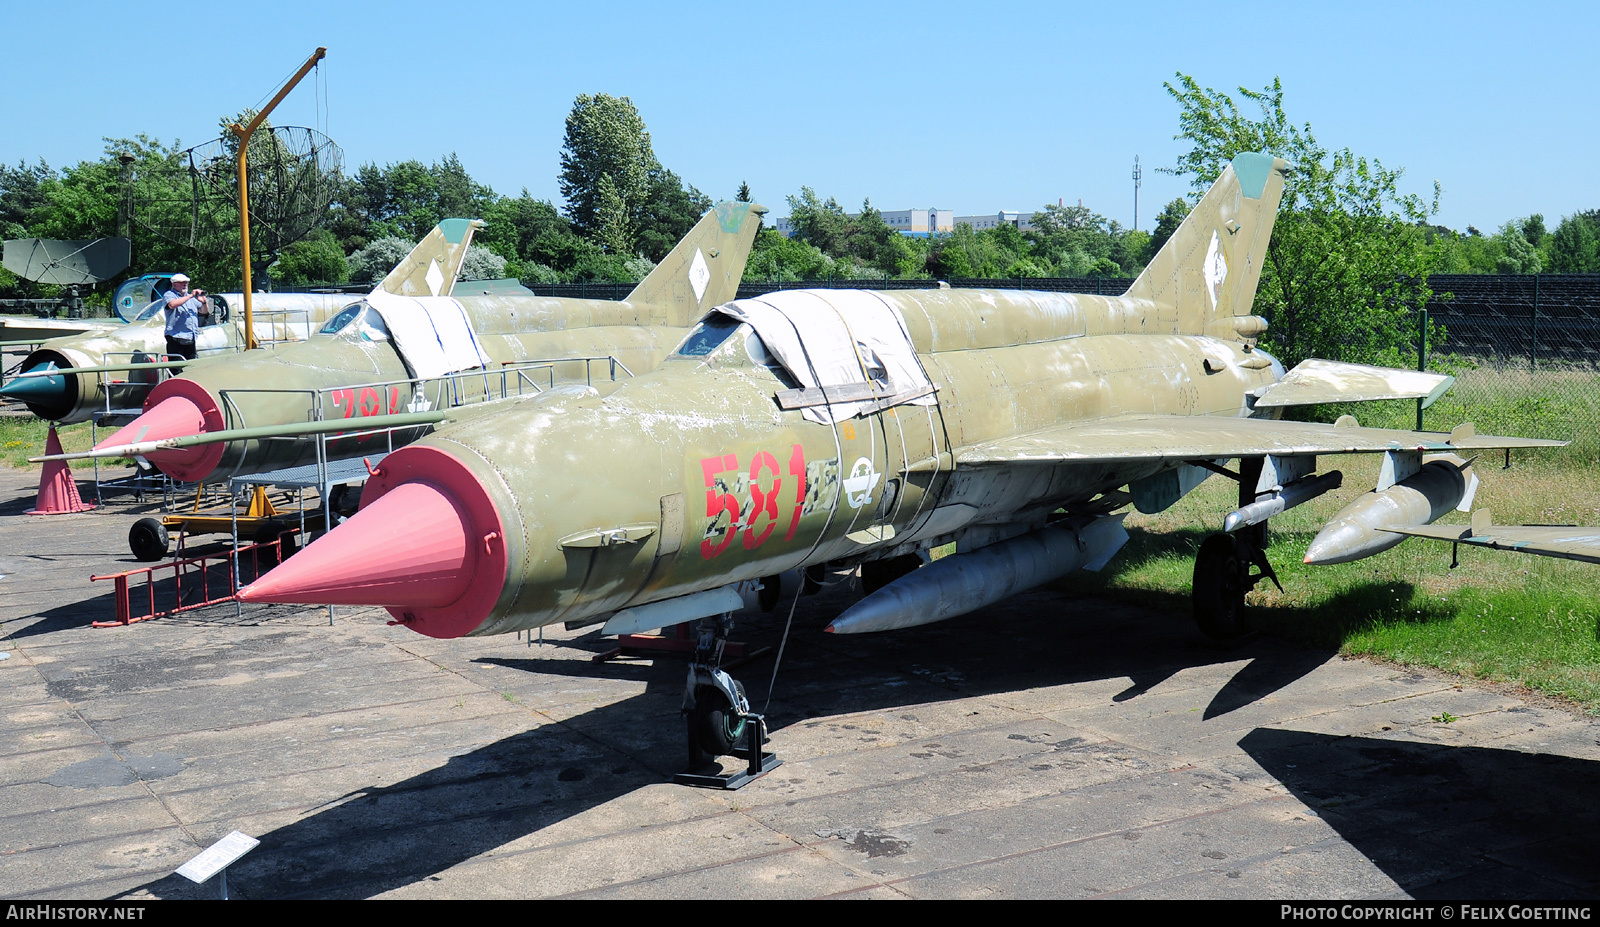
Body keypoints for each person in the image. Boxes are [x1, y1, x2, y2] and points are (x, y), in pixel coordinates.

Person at [162, 273, 212, 360]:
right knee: (176, 368)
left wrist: (204, 302)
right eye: (182, 283)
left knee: (191, 367)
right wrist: (191, 296)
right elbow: (172, 304)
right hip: (176, 338)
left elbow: (204, 311)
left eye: (186, 282)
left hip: (190, 338)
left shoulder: (191, 298)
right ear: (174, 284)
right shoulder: (169, 294)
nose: (185, 285)